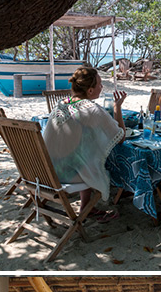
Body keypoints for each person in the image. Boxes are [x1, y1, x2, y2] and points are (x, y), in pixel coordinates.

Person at [41, 64, 127, 218]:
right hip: (64, 177)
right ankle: (89, 207)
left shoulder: (61, 104)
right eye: (100, 84)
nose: (102, 87)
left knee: (85, 153)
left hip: (45, 171)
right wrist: (117, 108)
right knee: (96, 163)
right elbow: (120, 137)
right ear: (90, 90)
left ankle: (86, 208)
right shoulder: (92, 109)